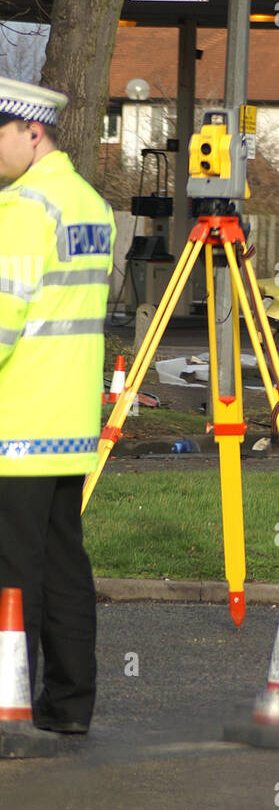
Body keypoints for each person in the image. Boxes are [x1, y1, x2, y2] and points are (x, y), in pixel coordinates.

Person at [0, 77, 115, 735]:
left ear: (32, 131)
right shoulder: (88, 205)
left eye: (0, 134)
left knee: (13, 574)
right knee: (65, 562)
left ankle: (10, 704)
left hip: (16, 424)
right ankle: (68, 705)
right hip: (69, 424)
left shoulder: (22, 207)